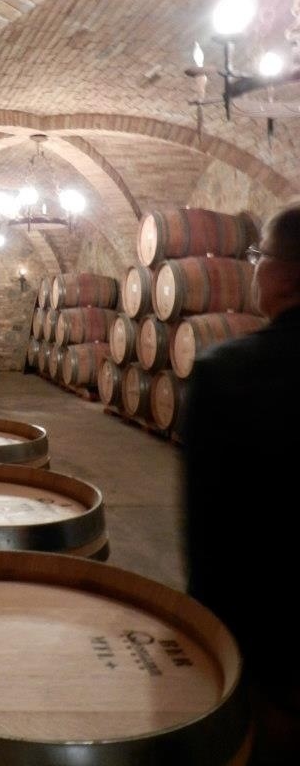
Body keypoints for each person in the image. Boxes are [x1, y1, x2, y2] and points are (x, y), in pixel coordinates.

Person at [181, 199, 300, 765]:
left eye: (260, 256)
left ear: (283, 272)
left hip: (269, 649)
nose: (253, 266)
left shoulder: (227, 372)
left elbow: (208, 539)